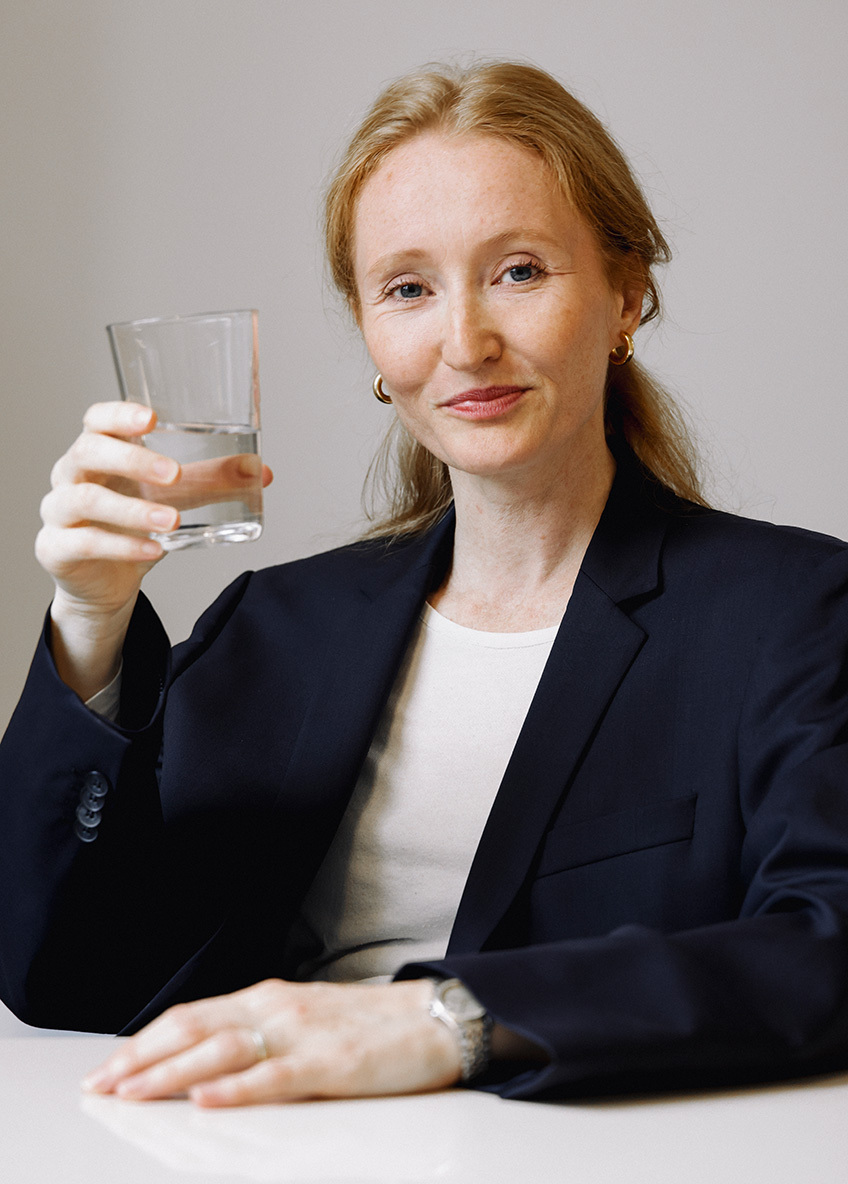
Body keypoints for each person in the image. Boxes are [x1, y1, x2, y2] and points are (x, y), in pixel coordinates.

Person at [2, 59, 848, 1108]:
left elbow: (826, 944)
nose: (464, 342)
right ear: (370, 330)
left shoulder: (792, 613)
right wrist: (91, 620)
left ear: (625, 293)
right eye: (407, 289)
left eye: (519, 271)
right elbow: (63, 972)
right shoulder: (274, 626)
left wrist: (444, 1019)